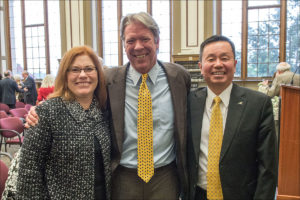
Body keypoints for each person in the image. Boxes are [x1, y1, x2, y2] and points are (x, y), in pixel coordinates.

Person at [26, 12, 191, 200]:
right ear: (123, 44)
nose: (138, 47)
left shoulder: (179, 77)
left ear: (157, 41)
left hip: (165, 176)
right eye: (130, 41)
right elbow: (76, 96)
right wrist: (40, 111)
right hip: (122, 177)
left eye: (145, 39)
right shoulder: (109, 79)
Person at [187, 35, 278, 200]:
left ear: (235, 64)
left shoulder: (258, 104)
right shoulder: (188, 103)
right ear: (201, 67)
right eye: (211, 59)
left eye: (224, 58)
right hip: (197, 194)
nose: (218, 64)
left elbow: (268, 167)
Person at [16, 46, 111, 199]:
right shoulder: (47, 112)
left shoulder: (104, 109)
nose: (82, 75)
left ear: (98, 74)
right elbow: (29, 175)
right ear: (65, 75)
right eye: (74, 70)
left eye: (88, 69)